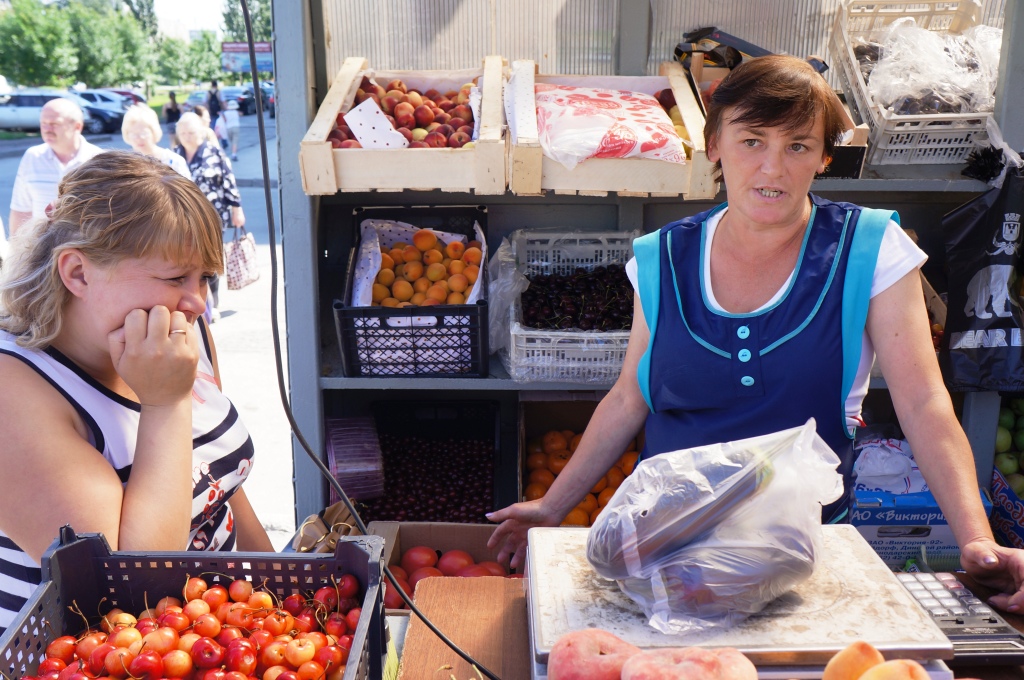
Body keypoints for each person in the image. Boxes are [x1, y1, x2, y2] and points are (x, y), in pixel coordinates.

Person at [487, 54, 1024, 612]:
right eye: (752, 141)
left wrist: (977, 540)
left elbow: (925, 404)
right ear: (715, 144)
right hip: (663, 547)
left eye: (797, 146)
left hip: (796, 555)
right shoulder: (661, 258)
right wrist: (553, 505)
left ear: (822, 158)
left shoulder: (871, 250)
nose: (773, 168)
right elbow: (630, 396)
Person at [0, 151, 273, 634]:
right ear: (78, 273)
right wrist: (165, 401)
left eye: (205, 278)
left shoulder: (177, 330)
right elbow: (127, 588)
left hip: (215, 636)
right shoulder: (14, 387)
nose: (199, 302)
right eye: (175, 279)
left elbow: (220, 483)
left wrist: (278, 592)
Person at [174, 113, 245, 323]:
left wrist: (236, 208)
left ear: (201, 132)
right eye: (183, 133)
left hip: (212, 216)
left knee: (208, 260)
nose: (187, 136)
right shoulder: (175, 154)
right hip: (183, 219)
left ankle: (212, 301)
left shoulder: (213, 152)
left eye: (191, 132)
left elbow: (228, 180)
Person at [8, 98, 103, 238]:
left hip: (83, 252)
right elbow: (21, 210)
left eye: (54, 124)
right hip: (39, 252)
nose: (47, 129)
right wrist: (17, 252)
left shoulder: (98, 159)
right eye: (43, 123)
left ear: (77, 127)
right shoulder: (32, 157)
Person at [122, 104, 190, 178]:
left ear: (154, 132)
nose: (139, 138)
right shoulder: (124, 165)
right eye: (133, 134)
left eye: (144, 133)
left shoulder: (174, 161)